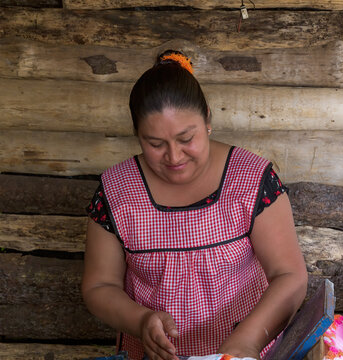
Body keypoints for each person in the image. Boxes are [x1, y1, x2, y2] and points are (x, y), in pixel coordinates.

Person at [81, 50, 308, 360]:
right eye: (155, 144)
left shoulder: (252, 179)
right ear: (137, 135)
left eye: (186, 138)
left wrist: (248, 341)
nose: (174, 157)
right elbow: (99, 285)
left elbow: (290, 276)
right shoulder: (116, 192)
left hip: (244, 351)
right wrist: (142, 320)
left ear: (208, 120)